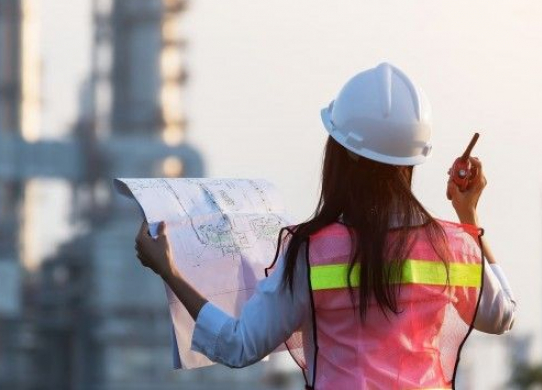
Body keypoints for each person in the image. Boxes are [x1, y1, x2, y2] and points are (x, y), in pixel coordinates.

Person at [134, 62, 516, 389]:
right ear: (413, 159)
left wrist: (169, 270)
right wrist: (469, 215)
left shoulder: (312, 250)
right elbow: (501, 315)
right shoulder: (452, 246)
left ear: (342, 153)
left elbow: (238, 346)